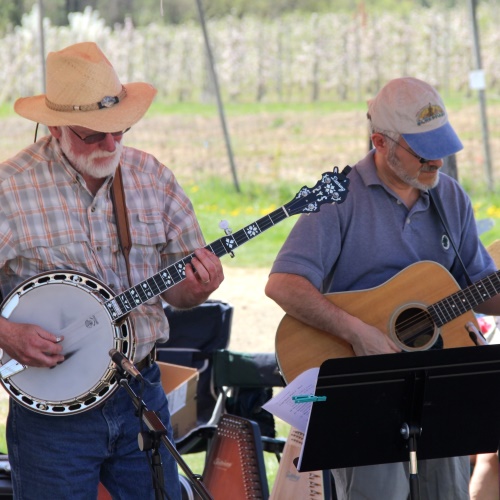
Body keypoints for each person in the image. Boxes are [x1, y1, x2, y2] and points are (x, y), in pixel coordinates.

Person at [0, 41, 224, 499]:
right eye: (94, 134)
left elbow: (180, 292)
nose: (111, 144)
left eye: (119, 129)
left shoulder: (151, 177)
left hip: (140, 391)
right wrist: (6, 333)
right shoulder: (11, 188)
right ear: (58, 126)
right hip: (52, 416)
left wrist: (199, 287)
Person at [265, 76, 500, 500]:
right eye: (424, 153)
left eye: (441, 148)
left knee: (448, 493)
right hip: (358, 382)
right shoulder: (338, 199)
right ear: (380, 142)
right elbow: (284, 284)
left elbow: (482, 288)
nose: (438, 163)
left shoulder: (451, 198)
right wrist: (358, 332)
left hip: (436, 379)